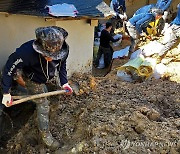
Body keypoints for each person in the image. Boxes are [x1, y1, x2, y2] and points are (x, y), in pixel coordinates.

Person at [1, 26, 73, 150]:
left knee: (45, 92)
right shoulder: (25, 53)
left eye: (54, 56)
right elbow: (9, 69)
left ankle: (31, 99)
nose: (51, 58)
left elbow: (62, 66)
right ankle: (46, 137)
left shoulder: (63, 50)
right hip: (32, 78)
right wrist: (6, 92)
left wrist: (64, 83)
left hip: (44, 76)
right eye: (47, 55)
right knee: (43, 104)